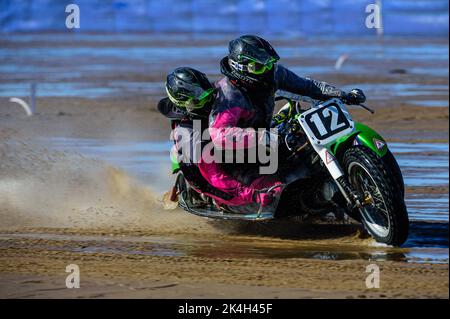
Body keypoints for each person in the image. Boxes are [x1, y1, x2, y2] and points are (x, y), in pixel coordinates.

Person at [206, 35, 366, 205]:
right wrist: (261, 137)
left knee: (305, 147)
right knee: (274, 194)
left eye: (269, 64)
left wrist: (341, 94)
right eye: (260, 67)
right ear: (241, 67)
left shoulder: (273, 73)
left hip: (266, 140)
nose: (267, 70)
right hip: (236, 158)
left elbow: (307, 86)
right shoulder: (228, 97)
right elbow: (219, 134)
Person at [158, 67, 276, 207]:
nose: (208, 103)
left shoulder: (217, 98)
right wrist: (254, 195)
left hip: (224, 152)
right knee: (257, 192)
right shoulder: (188, 135)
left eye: (209, 95)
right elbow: (214, 176)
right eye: (200, 101)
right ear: (182, 104)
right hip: (209, 176)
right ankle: (212, 200)